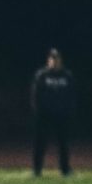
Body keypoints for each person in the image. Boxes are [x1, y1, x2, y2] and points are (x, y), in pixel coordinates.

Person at [31, 48, 74, 177]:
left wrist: (69, 110)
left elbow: (71, 95)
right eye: (52, 59)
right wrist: (38, 111)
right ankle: (37, 170)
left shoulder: (67, 76)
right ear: (48, 61)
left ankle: (65, 170)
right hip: (44, 115)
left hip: (61, 115)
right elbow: (35, 95)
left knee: (63, 144)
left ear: (60, 61)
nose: (54, 62)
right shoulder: (42, 75)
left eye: (56, 59)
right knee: (40, 143)